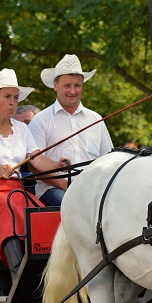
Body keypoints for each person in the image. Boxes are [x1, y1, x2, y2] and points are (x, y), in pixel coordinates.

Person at [0, 68, 63, 273]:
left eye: (15, 98)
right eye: (7, 96)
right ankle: (18, 270)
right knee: (7, 206)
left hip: (13, 189)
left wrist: (58, 165)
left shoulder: (22, 129)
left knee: (39, 212)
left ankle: (46, 267)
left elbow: (38, 159)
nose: (13, 102)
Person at [29, 54, 113, 207]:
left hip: (93, 189)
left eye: (77, 85)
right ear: (55, 85)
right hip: (54, 189)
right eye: (67, 85)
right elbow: (33, 165)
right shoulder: (41, 120)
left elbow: (109, 159)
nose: (73, 91)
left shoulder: (96, 119)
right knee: (74, 206)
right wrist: (63, 184)